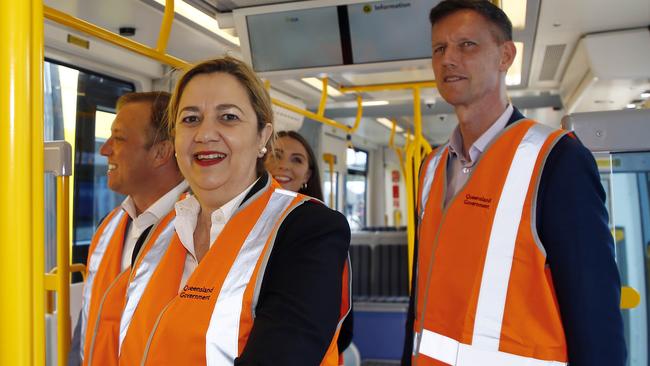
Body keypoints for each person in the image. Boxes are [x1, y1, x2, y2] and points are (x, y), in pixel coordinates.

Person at [403, 1, 626, 365]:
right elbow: (420, 306)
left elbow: (595, 315)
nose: (448, 59)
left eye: (467, 45)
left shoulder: (556, 161)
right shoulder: (430, 169)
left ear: (506, 55)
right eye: (439, 49)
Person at [117, 57, 351, 366]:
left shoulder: (307, 229)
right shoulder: (153, 235)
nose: (205, 134)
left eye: (228, 117)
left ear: (262, 137)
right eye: (190, 119)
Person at [70, 91, 188, 366]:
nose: (104, 149)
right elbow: (90, 320)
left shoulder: (202, 230)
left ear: (161, 152)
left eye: (119, 138)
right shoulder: (109, 226)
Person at [265, 130, 354, 358]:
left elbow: (339, 322)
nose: (284, 165)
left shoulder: (321, 231)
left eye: (297, 160)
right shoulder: (234, 224)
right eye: (276, 155)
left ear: (307, 175)